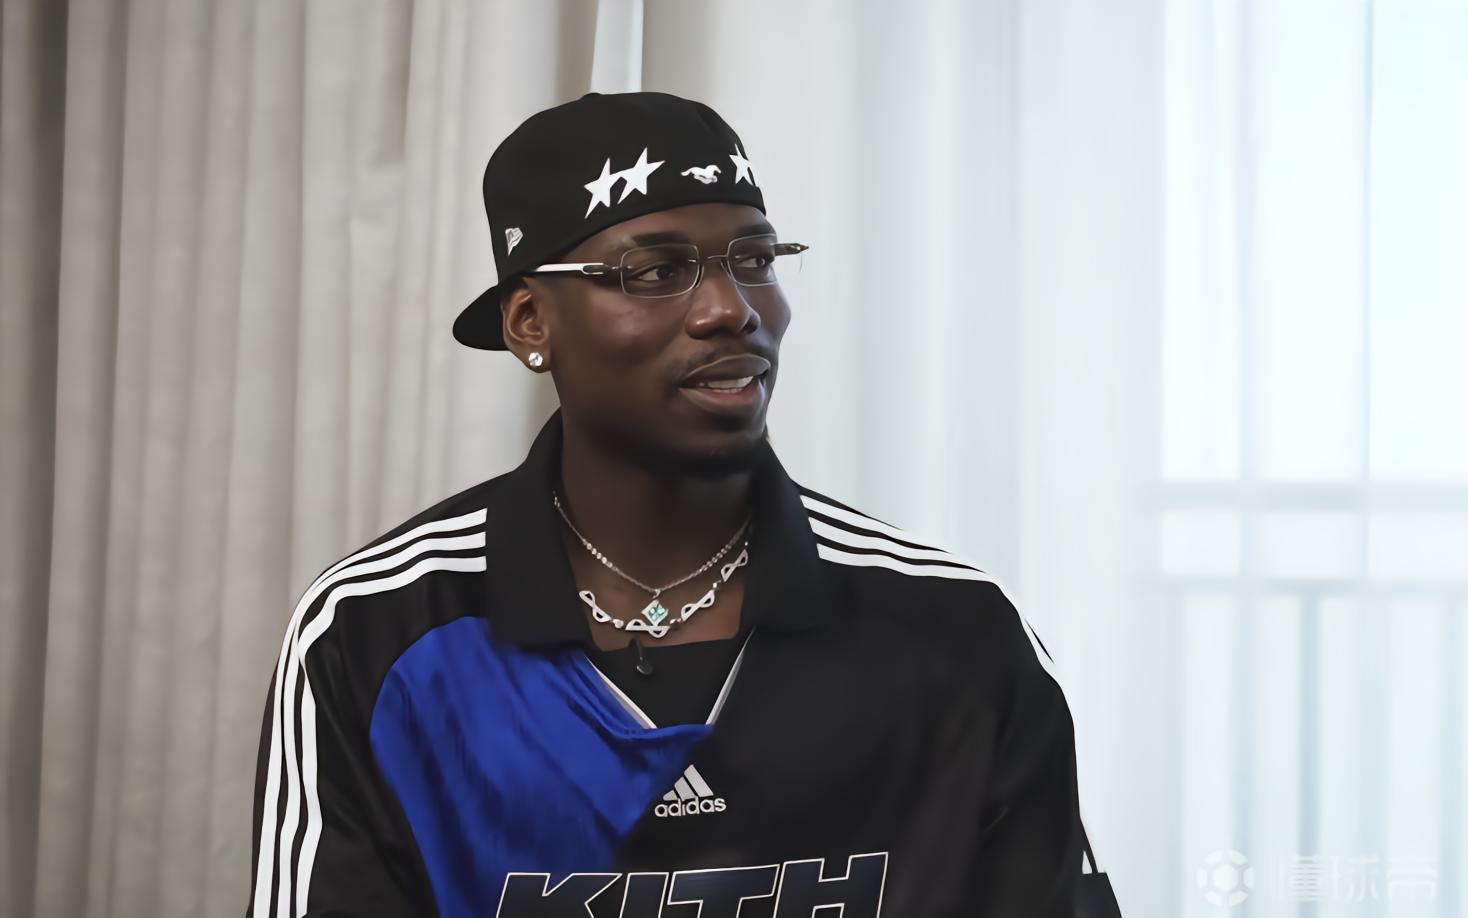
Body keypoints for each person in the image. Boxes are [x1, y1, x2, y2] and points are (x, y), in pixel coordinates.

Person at [247, 91, 1086, 918]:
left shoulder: (958, 630)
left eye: (754, 261)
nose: (731, 310)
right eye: (655, 272)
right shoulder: (376, 629)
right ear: (530, 321)